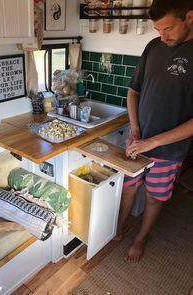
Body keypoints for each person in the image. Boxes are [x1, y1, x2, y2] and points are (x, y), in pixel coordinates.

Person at [115, 0, 193, 263]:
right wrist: (135, 130)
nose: (163, 36)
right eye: (158, 30)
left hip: (169, 150)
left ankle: (140, 238)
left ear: (189, 17)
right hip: (139, 142)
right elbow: (133, 91)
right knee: (127, 189)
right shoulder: (153, 46)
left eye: (168, 28)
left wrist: (153, 142)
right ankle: (117, 229)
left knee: (154, 198)